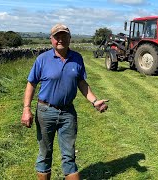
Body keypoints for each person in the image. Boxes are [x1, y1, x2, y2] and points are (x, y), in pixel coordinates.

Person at [21, 23, 108, 180]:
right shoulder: (42, 59)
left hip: (68, 113)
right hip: (45, 111)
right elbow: (31, 84)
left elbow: (81, 83)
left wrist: (94, 101)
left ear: (69, 38)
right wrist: (26, 109)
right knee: (45, 153)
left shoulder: (77, 58)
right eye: (57, 36)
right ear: (51, 40)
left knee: (69, 155)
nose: (60, 39)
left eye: (64, 36)